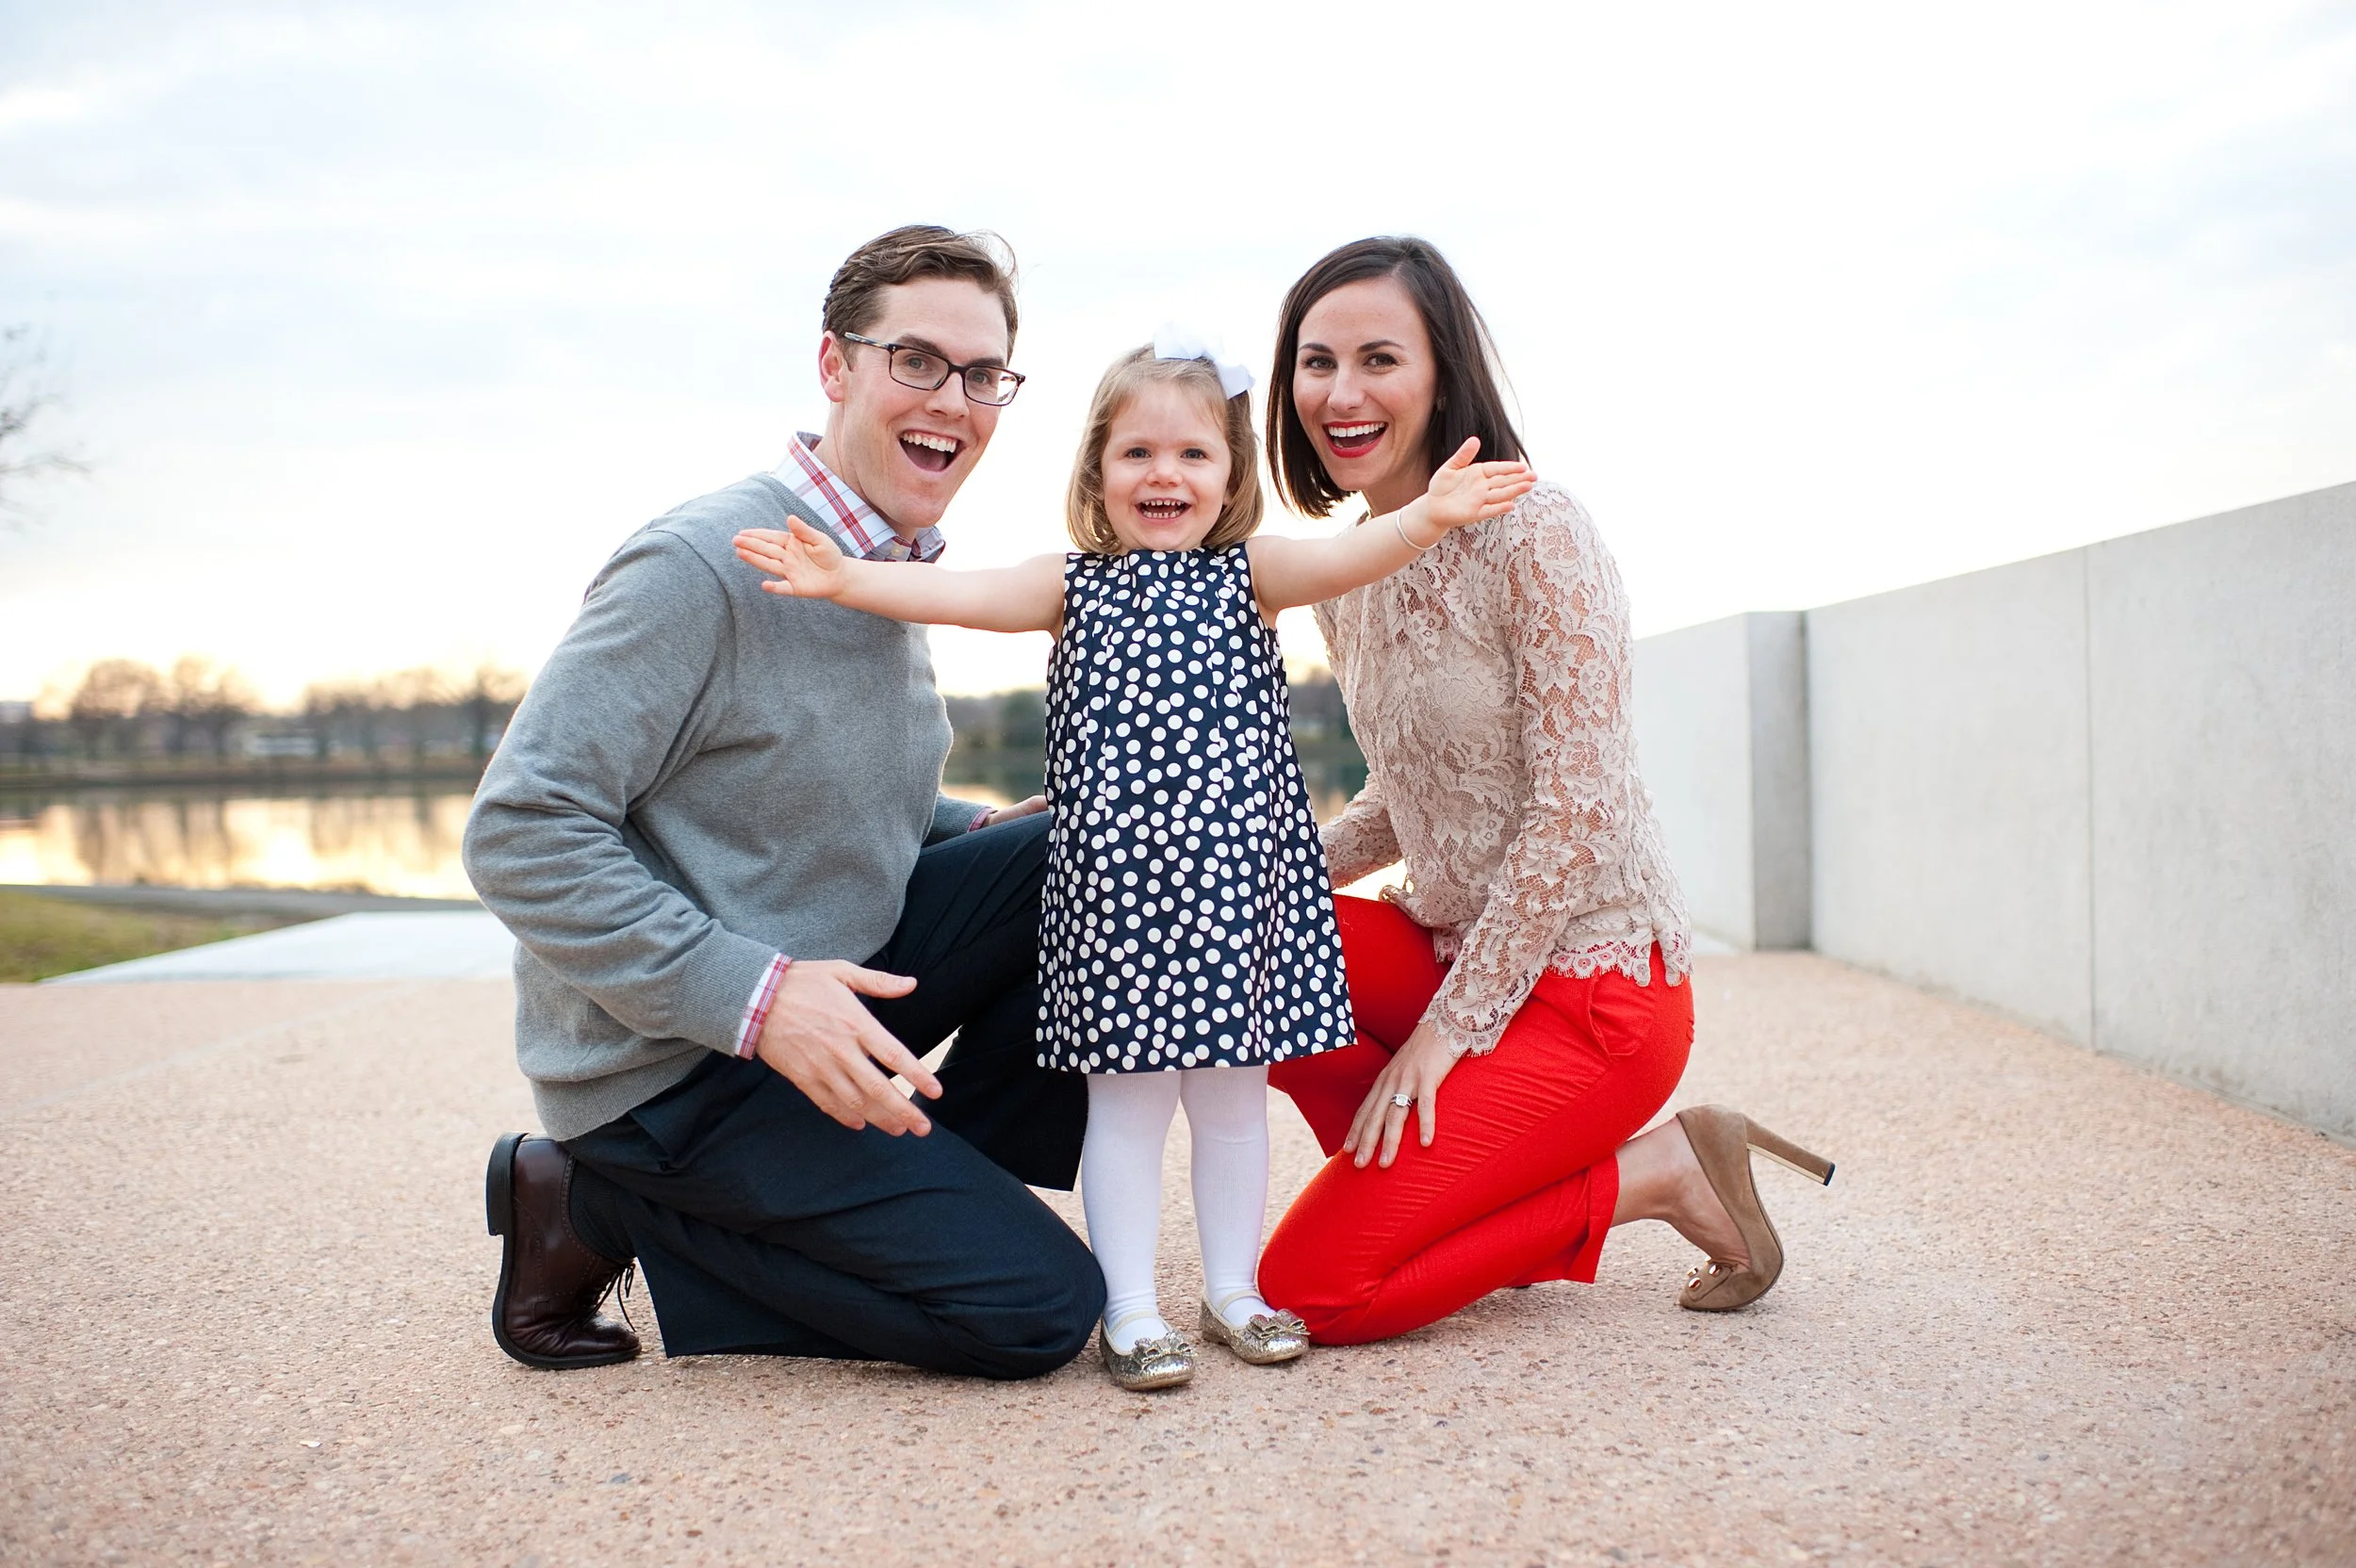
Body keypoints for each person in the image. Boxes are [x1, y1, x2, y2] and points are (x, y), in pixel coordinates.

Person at [732, 331, 1534, 1388]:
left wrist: (1426, 515)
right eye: (1138, 455)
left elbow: (1353, 552)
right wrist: (848, 582)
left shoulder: (1252, 574)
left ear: (1229, 476)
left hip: (1246, 900)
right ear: (1098, 475)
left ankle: (1234, 1291)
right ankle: (1129, 1308)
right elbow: (954, 594)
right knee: (1126, 1108)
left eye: (1194, 455)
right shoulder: (1069, 586)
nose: (1165, 474)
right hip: (1120, 907)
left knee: (1234, 1103)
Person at [464, 224, 1105, 1379]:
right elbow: (521, 830)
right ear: (835, 367)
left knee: (1095, 840)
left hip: (822, 989)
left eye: (981, 374)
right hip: (673, 1066)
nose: (952, 399)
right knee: (1037, 1311)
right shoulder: (702, 564)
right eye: (916, 360)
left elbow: (820, 798)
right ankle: (599, 1201)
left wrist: (975, 829)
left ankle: (899, 1181)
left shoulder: (890, 568)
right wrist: (755, 998)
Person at [1253, 237, 1836, 1345]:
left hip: (1593, 994)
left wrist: (1448, 1034)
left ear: (1441, 373)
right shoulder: (1353, 570)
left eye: (1380, 357)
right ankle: (1461, 1197)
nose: (1343, 393)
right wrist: (1225, 853)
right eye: (1316, 362)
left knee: (1310, 1289)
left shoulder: (1535, 527)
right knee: (1234, 928)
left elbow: (1578, 804)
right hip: (1456, 947)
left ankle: (1658, 1170)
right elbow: (1405, 799)